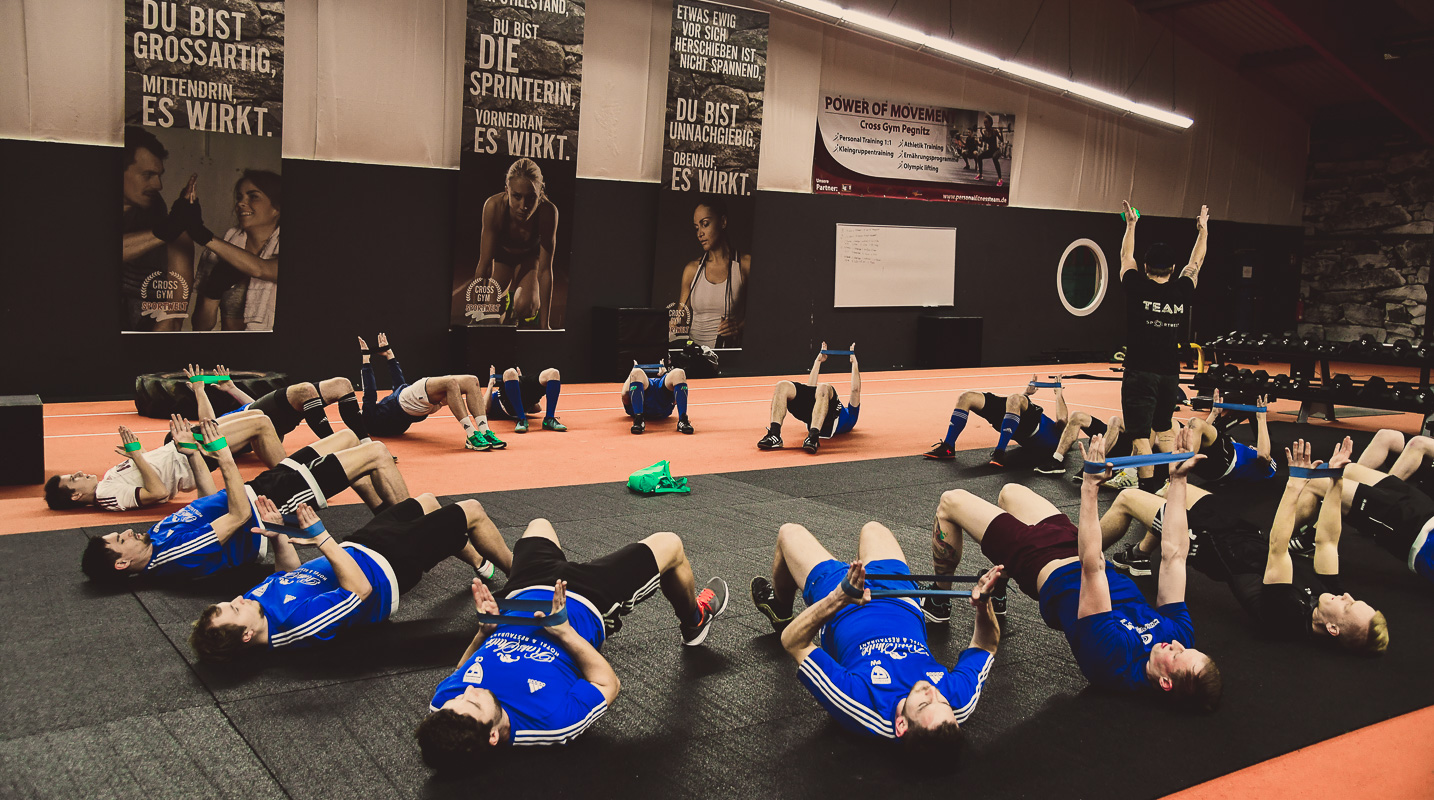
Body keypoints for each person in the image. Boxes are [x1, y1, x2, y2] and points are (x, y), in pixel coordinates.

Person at [928, 429, 1221, 709]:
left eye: (1178, 655)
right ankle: (1001, 582)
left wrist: (1090, 486)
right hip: (1077, 545)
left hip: (1040, 561)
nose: (1177, 645)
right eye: (1186, 648)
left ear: (1166, 683)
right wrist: (1179, 479)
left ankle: (939, 600)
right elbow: (1174, 555)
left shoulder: (1113, 660)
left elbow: (1092, 567)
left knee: (950, 501)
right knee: (1010, 492)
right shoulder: (1178, 636)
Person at [414, 520, 728, 770]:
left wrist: (484, 632)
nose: (467, 691)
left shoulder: (445, 708)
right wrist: (564, 632)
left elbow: (461, 671)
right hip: (588, 599)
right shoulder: (551, 721)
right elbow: (608, 683)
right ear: (493, 735)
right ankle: (694, 620)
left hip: (522, 593)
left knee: (539, 525)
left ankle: (563, 569)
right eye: (474, 703)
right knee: (670, 544)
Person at [1103, 438, 1388, 655]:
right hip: (1239, 531)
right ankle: (1139, 555)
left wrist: (1295, 483)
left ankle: (1076, 559)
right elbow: (1327, 541)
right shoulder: (1332, 596)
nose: (1347, 595)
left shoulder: (1286, 617)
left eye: (1349, 606)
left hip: (1204, 541)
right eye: (1356, 599)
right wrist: (1335, 480)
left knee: (1128, 498)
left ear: (1333, 629)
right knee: (1170, 487)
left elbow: (1278, 546)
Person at [749, 521, 1000, 752]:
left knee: (789, 533)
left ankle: (780, 609)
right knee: (873, 528)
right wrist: (984, 605)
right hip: (900, 597)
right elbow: (986, 645)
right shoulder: (956, 704)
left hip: (844, 606)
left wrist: (840, 596)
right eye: (943, 703)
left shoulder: (861, 704)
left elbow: (793, 642)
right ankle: (860, 574)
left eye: (924, 704)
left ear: (901, 726)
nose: (932, 692)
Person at [80, 419, 410, 585]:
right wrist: (223, 458)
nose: (126, 532)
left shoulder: (155, 537)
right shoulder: (172, 557)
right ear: (121, 564)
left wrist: (192, 454)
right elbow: (238, 515)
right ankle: (412, 526)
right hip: (270, 504)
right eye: (121, 540)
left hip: (259, 487)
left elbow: (209, 502)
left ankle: (385, 516)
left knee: (348, 439)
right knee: (377, 453)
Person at [188, 494, 511, 661]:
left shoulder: (255, 607)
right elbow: (360, 590)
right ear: (246, 635)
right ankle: (523, 576)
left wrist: (277, 536)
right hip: (388, 567)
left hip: (358, 545)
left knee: (426, 501)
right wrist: (320, 536)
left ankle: (479, 561)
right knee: (472, 510)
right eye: (233, 609)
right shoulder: (296, 626)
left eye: (228, 603)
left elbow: (288, 576)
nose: (237, 599)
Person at [1119, 200, 1208, 493]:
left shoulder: (1136, 285)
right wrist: (1203, 231)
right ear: (1172, 268)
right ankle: (1170, 483)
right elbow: (1195, 264)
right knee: (1165, 426)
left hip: (1140, 373)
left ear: (1146, 267)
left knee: (1140, 435)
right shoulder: (1182, 289)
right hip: (1171, 375)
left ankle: (1146, 490)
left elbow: (1125, 256)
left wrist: (1131, 225)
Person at [1294, 440, 1434, 587]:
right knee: (1348, 470)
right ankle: (1307, 534)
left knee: (1315, 483)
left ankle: (1275, 543)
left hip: (1417, 533)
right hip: (1426, 511)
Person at [357, 333, 502, 451]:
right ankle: (472, 435)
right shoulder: (369, 418)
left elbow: (397, 385)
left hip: (420, 408)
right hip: (408, 401)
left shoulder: (382, 423)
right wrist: (366, 360)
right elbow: (370, 392)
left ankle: (484, 431)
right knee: (452, 383)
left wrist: (389, 355)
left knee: (472, 381)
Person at [924, 375, 1097, 471]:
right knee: (966, 397)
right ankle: (948, 447)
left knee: (1015, 398)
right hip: (1015, 419)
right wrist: (1026, 394)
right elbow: (1014, 409)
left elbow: (1062, 419)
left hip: (1030, 427)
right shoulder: (1058, 433)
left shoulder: (1060, 437)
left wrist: (1058, 392)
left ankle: (1000, 452)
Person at [120, 126, 195, 332]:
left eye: (159, 175)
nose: (159, 185)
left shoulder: (174, 232)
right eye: (148, 175)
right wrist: (167, 228)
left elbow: (174, 317)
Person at [186, 170, 281, 331]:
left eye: (253, 196)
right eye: (239, 198)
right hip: (229, 348)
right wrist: (212, 291)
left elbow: (260, 269)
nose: (241, 203)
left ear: (276, 208)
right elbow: (201, 327)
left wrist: (201, 233)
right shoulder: (218, 252)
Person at [471, 158, 559, 329]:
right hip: (502, 260)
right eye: (517, 196)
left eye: (531, 197)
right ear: (507, 191)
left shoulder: (548, 212)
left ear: (540, 193)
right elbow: (484, 264)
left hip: (528, 260)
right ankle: (504, 298)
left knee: (527, 307)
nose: (523, 206)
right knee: (489, 317)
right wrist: (475, 315)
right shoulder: (493, 207)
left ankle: (517, 306)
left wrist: (545, 326)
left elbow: (545, 270)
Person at [674, 196, 750, 348]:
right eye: (697, 228)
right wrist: (672, 324)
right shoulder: (692, 270)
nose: (699, 233)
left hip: (727, 356)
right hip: (694, 357)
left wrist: (739, 327)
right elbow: (680, 317)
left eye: (705, 224)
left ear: (723, 222)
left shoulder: (745, 265)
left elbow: (763, 315)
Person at [757, 342, 861, 455]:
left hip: (826, 418)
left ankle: (813, 437)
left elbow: (855, 390)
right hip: (812, 413)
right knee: (782, 386)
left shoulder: (851, 419)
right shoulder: (847, 415)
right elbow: (811, 391)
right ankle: (774, 434)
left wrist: (854, 363)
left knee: (823, 387)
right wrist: (818, 361)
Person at [1183, 391, 1276, 485]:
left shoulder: (1266, 462)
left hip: (1226, 463)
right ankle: (1176, 468)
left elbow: (1264, 455)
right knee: (1176, 428)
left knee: (1194, 423)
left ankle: (1181, 467)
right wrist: (1214, 414)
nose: (1252, 447)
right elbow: (1202, 437)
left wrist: (1261, 418)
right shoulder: (1247, 454)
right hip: (1211, 469)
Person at [488, 364, 567, 434]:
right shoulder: (495, 406)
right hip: (510, 400)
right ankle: (522, 419)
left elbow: (484, 406)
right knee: (510, 372)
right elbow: (537, 408)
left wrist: (518, 382)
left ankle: (549, 418)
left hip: (514, 388)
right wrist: (491, 382)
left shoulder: (495, 397)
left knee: (553, 372)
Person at [622, 360, 694, 435]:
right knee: (636, 372)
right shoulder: (633, 390)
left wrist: (665, 373)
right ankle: (639, 419)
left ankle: (683, 420)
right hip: (644, 399)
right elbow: (624, 395)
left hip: (660, 393)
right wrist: (633, 373)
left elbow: (676, 400)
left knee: (679, 372)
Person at [973, 114, 1005, 186]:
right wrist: (978, 141)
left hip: (996, 150)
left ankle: (1000, 179)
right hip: (990, 151)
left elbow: (1002, 140)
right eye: (984, 123)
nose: (985, 124)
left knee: (994, 158)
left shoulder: (994, 131)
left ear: (990, 122)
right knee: (980, 156)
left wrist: (1001, 131)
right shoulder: (984, 132)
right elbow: (981, 144)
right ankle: (980, 174)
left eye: (986, 122)